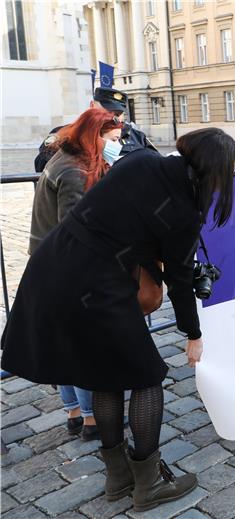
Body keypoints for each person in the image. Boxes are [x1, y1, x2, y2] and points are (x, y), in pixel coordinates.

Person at [2, 128, 235, 512]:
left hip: (54, 266)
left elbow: (118, 219)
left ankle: (117, 479)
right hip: (95, 285)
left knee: (105, 375)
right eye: (232, 172)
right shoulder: (184, 211)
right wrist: (193, 334)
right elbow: (180, 282)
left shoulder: (141, 162)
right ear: (214, 171)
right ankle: (148, 485)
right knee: (147, 377)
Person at [27, 108, 124, 441]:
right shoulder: (74, 171)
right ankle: (92, 419)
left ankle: (74, 413)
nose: (118, 144)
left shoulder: (62, 159)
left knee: (64, 341)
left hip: (48, 262)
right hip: (65, 267)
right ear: (92, 137)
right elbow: (77, 230)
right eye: (112, 139)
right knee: (81, 344)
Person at [35, 87, 156, 173]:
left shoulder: (136, 136)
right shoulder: (65, 133)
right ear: (92, 105)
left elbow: (155, 163)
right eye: (108, 111)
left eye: (118, 113)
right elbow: (43, 166)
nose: (113, 117)